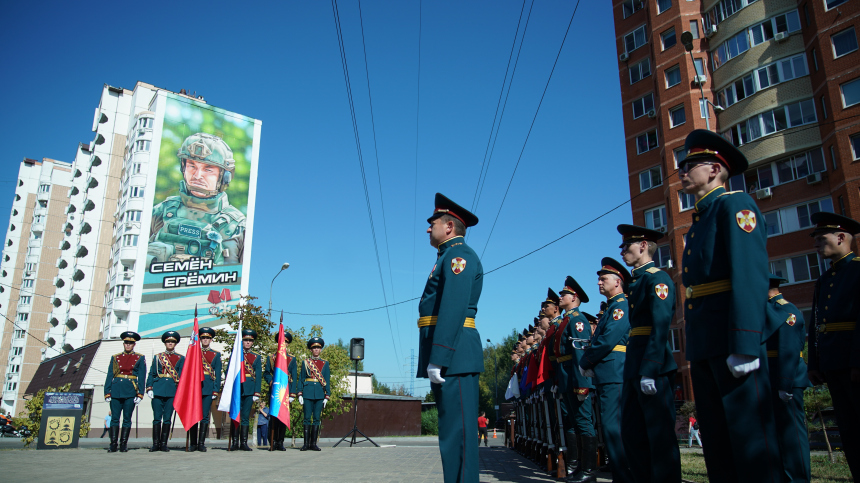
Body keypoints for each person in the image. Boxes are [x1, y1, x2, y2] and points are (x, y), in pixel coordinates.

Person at [678, 129, 781, 482]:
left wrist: (745, 341)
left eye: (689, 164)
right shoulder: (701, 218)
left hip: (729, 338)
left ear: (715, 169)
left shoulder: (734, 205)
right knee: (718, 443)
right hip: (707, 340)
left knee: (749, 441)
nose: (681, 170)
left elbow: (749, 274)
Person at [417, 193, 483, 483]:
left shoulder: (459, 256)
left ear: (449, 226)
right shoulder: (446, 256)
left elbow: (453, 308)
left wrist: (439, 356)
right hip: (450, 355)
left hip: (454, 355)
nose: (428, 228)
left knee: (459, 435)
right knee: (451, 433)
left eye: (433, 223)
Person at [616, 224, 681, 483]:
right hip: (635, 364)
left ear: (643, 246)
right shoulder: (638, 280)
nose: (622, 251)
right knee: (632, 433)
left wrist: (650, 368)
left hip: (652, 366)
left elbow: (661, 325)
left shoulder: (658, 278)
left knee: (659, 437)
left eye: (627, 246)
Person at [807, 212, 860, 478]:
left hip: (853, 362)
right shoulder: (825, 279)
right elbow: (815, 323)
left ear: (841, 238)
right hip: (833, 363)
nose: (816, 244)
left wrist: (857, 361)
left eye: (821, 238)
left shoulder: (858, 271)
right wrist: (814, 363)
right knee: (849, 432)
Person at [147, 132, 246, 266]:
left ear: (224, 176)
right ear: (183, 168)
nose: (197, 175)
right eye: (192, 166)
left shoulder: (238, 227)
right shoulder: (160, 211)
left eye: (208, 169)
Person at [578, 258, 633, 483]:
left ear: (618, 282)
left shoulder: (620, 306)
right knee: (610, 427)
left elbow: (608, 340)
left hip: (614, 371)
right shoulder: (613, 306)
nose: (599, 283)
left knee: (613, 427)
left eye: (604, 279)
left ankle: (624, 476)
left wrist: (586, 361)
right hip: (607, 371)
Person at [764, 274, 811, 482]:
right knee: (774, 435)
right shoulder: (768, 309)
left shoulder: (787, 311)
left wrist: (785, 384)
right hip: (769, 379)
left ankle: (798, 478)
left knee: (792, 436)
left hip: (786, 381)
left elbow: (789, 351)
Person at [555, 276, 596, 481]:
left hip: (575, 376)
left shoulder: (577, 320)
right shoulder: (568, 319)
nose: (560, 296)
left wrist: (581, 384)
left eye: (564, 294)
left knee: (583, 421)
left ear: (574, 297)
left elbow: (580, 353)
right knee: (574, 421)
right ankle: (579, 466)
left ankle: (589, 471)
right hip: (566, 376)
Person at [104, 331, 146, 453]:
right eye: (126, 343)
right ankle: (113, 444)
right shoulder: (115, 357)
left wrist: (140, 394)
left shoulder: (139, 357)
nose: (128, 345)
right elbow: (109, 375)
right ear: (123, 344)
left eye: (131, 343)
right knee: (115, 419)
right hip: (116, 389)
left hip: (130, 390)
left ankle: (123, 444)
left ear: (134, 345)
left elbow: (142, 377)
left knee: (127, 419)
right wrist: (107, 392)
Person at [146, 331, 184, 452]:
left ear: (175, 343)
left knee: (167, 418)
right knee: (157, 418)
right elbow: (152, 373)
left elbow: (182, 376)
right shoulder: (158, 357)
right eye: (168, 341)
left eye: (172, 342)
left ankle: (163, 444)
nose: (170, 343)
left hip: (172, 391)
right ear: (165, 343)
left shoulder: (180, 358)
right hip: (158, 389)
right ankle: (155, 444)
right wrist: (149, 388)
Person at [264, 329, 298, 451]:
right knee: (273, 417)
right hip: (274, 392)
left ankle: (280, 442)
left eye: (286, 342)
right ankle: (272, 441)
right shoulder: (271, 358)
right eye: (282, 342)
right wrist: (270, 381)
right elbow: (267, 373)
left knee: (282, 417)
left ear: (287, 344)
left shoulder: (292, 359)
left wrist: (292, 394)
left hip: (285, 392)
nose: (283, 344)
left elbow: (294, 377)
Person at [189, 326, 221, 452]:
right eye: (203, 338)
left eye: (208, 338)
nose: (205, 340)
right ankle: (193, 443)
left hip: (208, 387)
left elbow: (217, 373)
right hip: (195, 388)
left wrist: (215, 390)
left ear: (211, 340)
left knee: (204, 417)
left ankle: (201, 443)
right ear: (200, 339)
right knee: (193, 416)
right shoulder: (193, 352)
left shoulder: (215, 354)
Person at [229, 329, 262, 451]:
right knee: (234, 416)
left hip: (249, 389)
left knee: (245, 416)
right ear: (242, 341)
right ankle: (234, 442)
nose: (247, 342)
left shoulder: (256, 357)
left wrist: (256, 392)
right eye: (245, 340)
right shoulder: (235, 355)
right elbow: (230, 372)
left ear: (252, 343)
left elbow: (258, 376)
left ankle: (243, 443)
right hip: (237, 388)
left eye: (250, 341)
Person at [298, 337, 330, 452]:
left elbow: (327, 380)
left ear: (320, 350)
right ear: (311, 350)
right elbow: (301, 378)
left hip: (320, 394)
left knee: (316, 419)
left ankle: (313, 444)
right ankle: (306, 444)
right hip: (307, 392)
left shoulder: (325, 363)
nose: (316, 350)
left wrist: (327, 395)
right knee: (307, 418)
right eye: (314, 348)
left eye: (318, 348)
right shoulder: (305, 362)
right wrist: (300, 393)